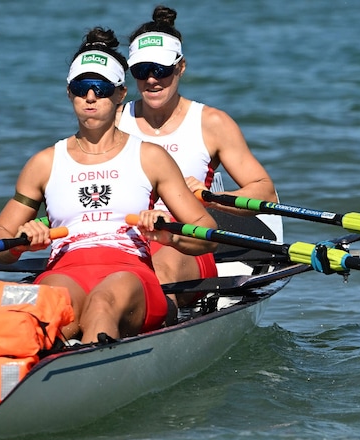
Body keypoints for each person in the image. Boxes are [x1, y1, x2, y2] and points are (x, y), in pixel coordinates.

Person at [0, 26, 217, 344]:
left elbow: (206, 232)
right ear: (70, 92)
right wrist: (21, 244)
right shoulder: (43, 163)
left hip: (131, 274)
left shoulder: (150, 157)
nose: (91, 97)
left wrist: (170, 235)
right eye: (82, 88)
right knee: (40, 310)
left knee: (103, 302)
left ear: (121, 93)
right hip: (65, 270)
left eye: (101, 87)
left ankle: (91, 379)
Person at [117, 5, 280, 307]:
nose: (151, 80)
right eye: (141, 71)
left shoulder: (212, 123)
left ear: (180, 67)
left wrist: (209, 198)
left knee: (156, 273)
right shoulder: (114, 120)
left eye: (161, 70)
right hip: (125, 236)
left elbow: (265, 192)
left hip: (187, 240)